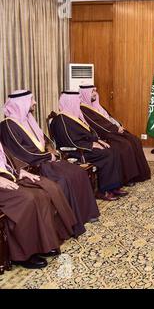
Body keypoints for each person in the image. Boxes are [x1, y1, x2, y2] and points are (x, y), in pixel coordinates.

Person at [0, 90, 100, 236]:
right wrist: (48, 156)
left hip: (46, 160)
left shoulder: (28, 119)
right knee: (64, 179)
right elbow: (23, 153)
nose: (34, 103)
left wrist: (52, 151)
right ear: (21, 103)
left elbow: (45, 140)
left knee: (78, 172)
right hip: (36, 165)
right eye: (31, 100)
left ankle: (85, 214)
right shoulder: (8, 126)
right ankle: (69, 226)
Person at [0, 142, 76, 269]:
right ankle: (23, 255)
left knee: (43, 194)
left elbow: (6, 160)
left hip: (8, 177)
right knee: (28, 199)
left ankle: (43, 244)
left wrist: (20, 171)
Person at [50, 91, 127, 201]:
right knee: (106, 154)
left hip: (85, 146)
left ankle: (113, 187)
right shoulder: (61, 120)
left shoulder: (74, 117)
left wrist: (98, 141)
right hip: (77, 151)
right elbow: (70, 141)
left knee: (112, 149)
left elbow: (88, 133)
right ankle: (103, 191)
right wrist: (91, 145)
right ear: (70, 102)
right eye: (77, 100)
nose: (79, 102)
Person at [79, 85, 151, 185]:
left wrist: (119, 125)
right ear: (85, 93)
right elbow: (98, 125)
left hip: (112, 130)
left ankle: (139, 174)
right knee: (125, 145)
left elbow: (109, 117)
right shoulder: (84, 109)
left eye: (95, 91)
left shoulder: (96, 105)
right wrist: (116, 129)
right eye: (92, 92)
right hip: (104, 134)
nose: (95, 93)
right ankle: (127, 178)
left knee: (135, 140)